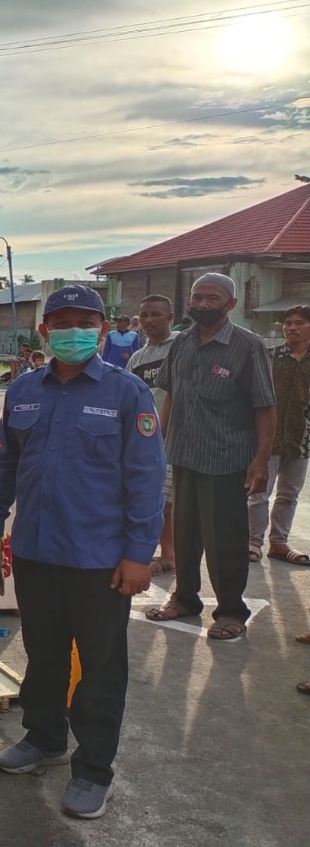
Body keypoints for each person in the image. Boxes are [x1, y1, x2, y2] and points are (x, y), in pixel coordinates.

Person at [0, 284, 163, 820]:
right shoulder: (23, 391)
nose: (72, 332)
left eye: (84, 322)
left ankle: (93, 770)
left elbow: (147, 479)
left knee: (101, 670)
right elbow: (4, 466)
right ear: (44, 331)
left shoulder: (128, 393)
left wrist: (139, 554)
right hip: (37, 551)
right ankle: (44, 738)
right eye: (60, 323)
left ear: (103, 329)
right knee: (42, 655)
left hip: (100, 561)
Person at [145, 273, 275, 641]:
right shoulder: (181, 343)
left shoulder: (248, 346)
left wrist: (261, 459)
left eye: (212, 298)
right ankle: (184, 598)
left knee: (225, 541)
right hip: (183, 455)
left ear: (230, 304)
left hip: (226, 459)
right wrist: (159, 444)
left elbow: (265, 407)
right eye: (197, 297)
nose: (202, 304)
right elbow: (170, 395)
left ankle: (231, 610)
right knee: (184, 536)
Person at [247, 304, 309, 564]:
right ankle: (252, 542)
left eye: (299, 323)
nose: (291, 327)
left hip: (303, 439)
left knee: (289, 494)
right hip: (266, 438)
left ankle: (279, 543)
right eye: (288, 323)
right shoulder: (269, 356)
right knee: (259, 492)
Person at [126, 294, 179, 576]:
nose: (148, 320)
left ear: (170, 317)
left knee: (168, 503)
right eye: (144, 315)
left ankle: (170, 555)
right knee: (154, 500)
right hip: (145, 440)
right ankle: (165, 553)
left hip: (175, 438)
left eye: (156, 315)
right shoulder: (138, 357)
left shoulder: (181, 347)